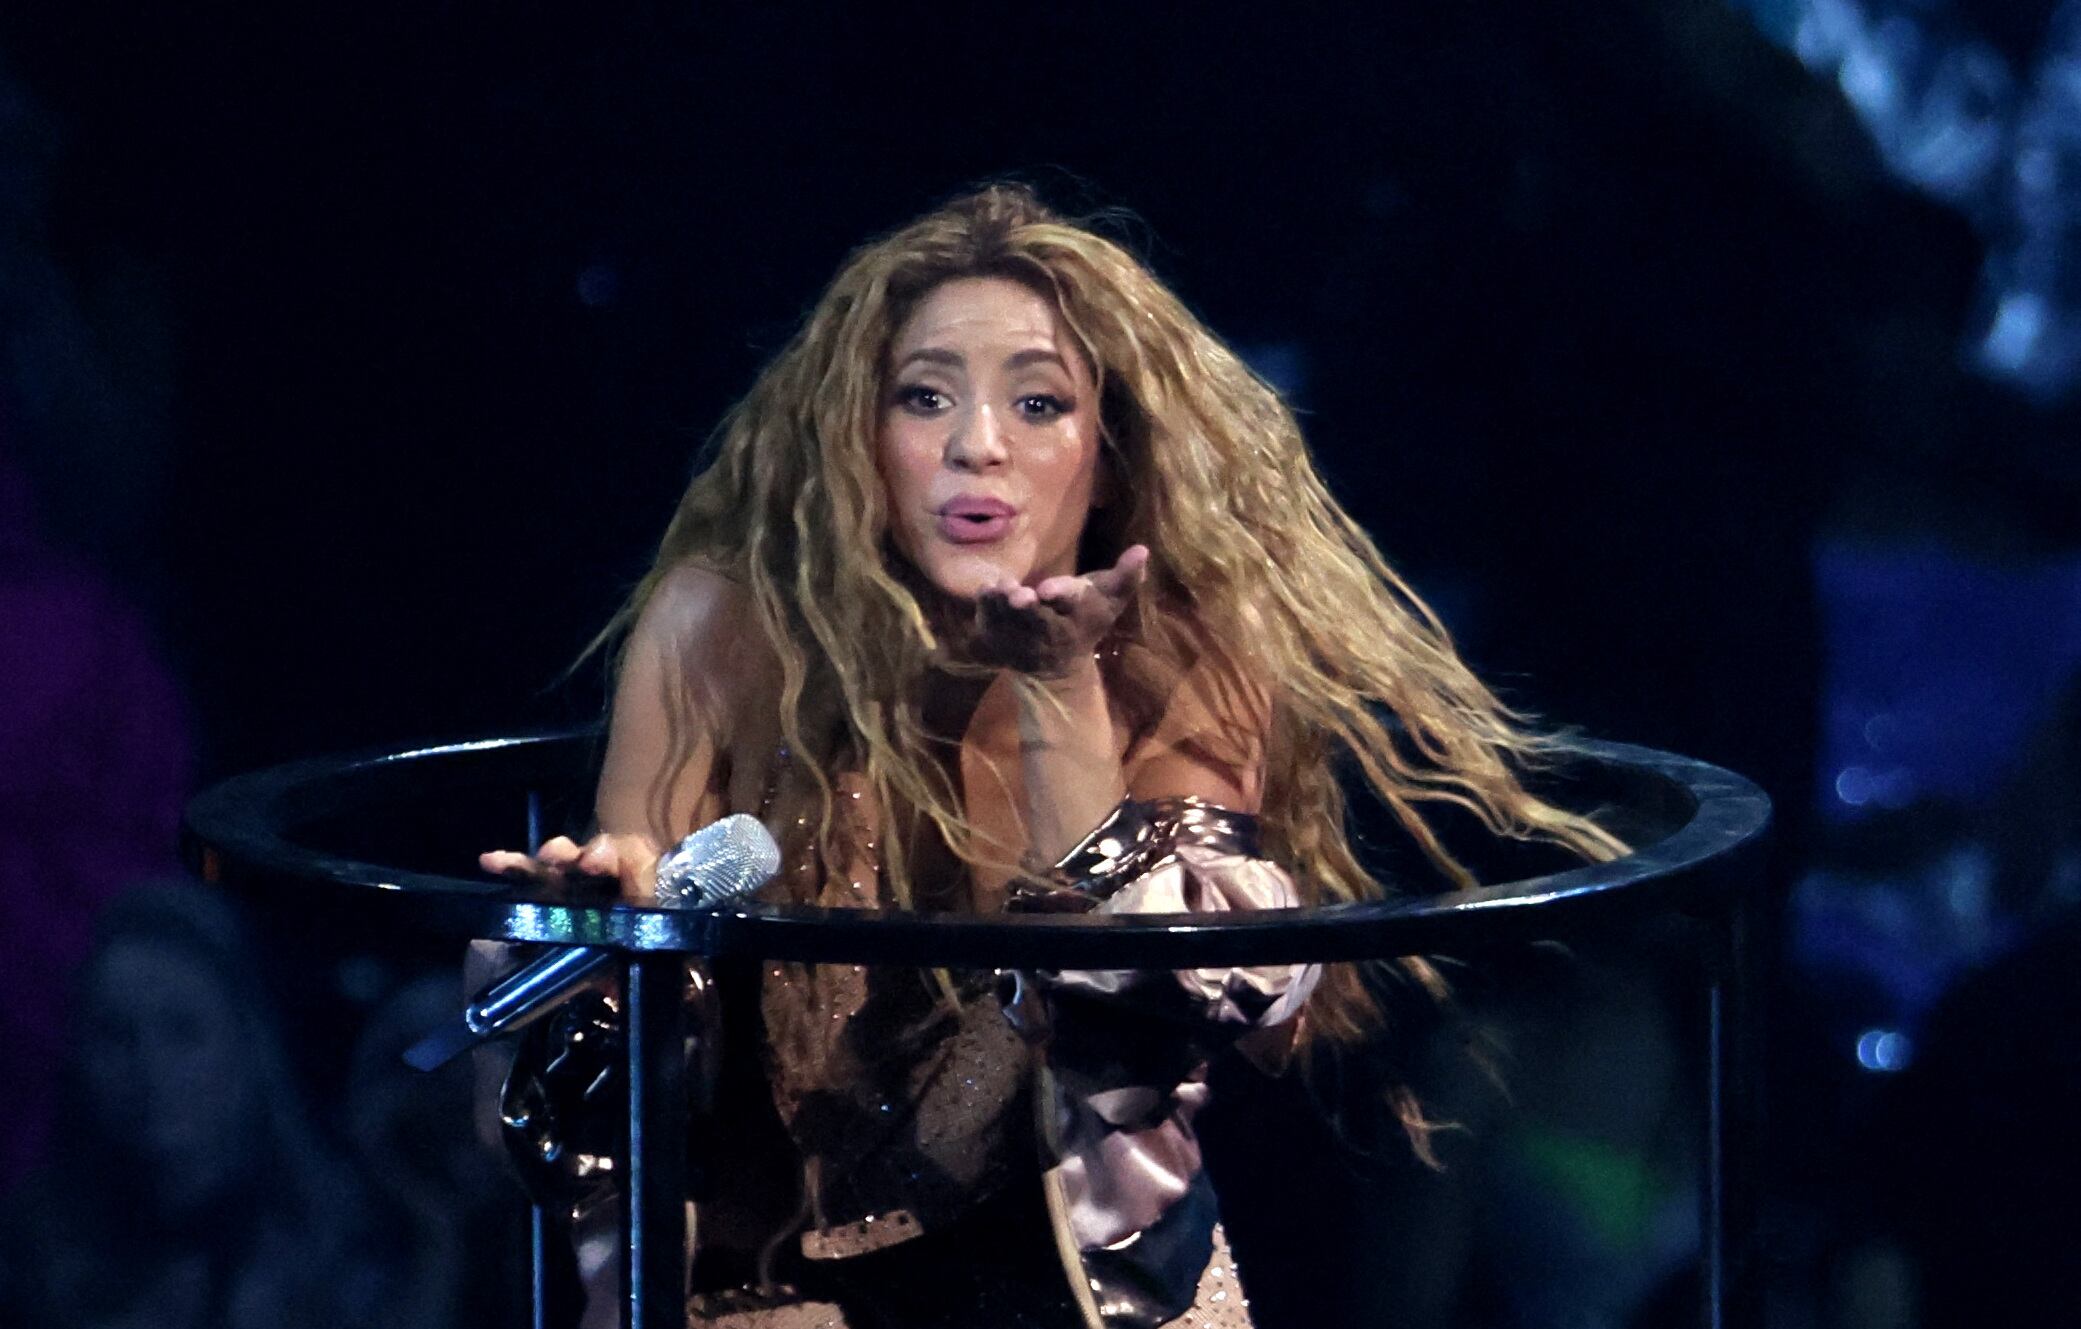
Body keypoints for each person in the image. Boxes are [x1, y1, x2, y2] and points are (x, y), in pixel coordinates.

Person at [482, 184, 1621, 1329]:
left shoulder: (1181, 651)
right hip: (760, 1290)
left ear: (1106, 445)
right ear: (856, 435)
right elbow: (585, 1108)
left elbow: (1202, 1000)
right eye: (924, 398)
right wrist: (594, 945)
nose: (978, 446)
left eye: (1037, 403)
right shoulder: (722, 628)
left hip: (1076, 1298)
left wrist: (1056, 687)